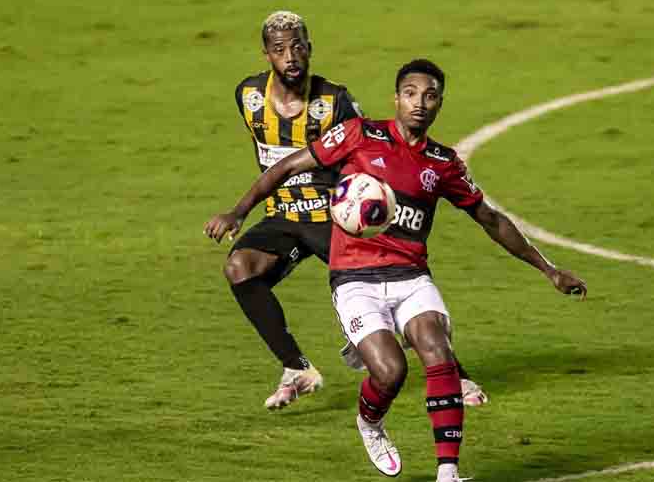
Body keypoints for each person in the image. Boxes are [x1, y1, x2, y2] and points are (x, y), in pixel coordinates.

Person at [205, 59, 587, 481]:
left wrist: (548, 269)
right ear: (396, 98)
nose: (419, 103)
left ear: (440, 103)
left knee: (437, 351)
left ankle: (448, 472)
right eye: (410, 93)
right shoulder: (359, 135)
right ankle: (369, 422)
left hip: (411, 276)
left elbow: (490, 219)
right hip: (354, 278)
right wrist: (239, 211)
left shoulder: (443, 163)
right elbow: (288, 166)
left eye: (430, 95)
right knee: (391, 372)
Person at [216, 12, 487, 411]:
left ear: (309, 49)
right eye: (279, 50)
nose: (290, 56)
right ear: (266, 55)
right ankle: (297, 369)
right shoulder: (248, 96)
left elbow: (371, 152)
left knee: (391, 283)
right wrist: (239, 212)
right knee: (239, 266)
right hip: (284, 216)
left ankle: (455, 374)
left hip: (336, 215)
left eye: (297, 47)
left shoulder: (335, 100)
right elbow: (275, 160)